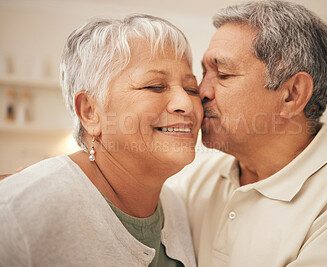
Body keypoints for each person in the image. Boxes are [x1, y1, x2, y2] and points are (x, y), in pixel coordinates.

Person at [168, 1, 327, 266]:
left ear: (292, 95)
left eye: (223, 74)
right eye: (204, 72)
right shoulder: (199, 179)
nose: (201, 90)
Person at [0, 14, 201, 267]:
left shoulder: (177, 209)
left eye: (192, 89)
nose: (186, 103)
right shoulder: (17, 212)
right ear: (90, 112)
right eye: (155, 86)